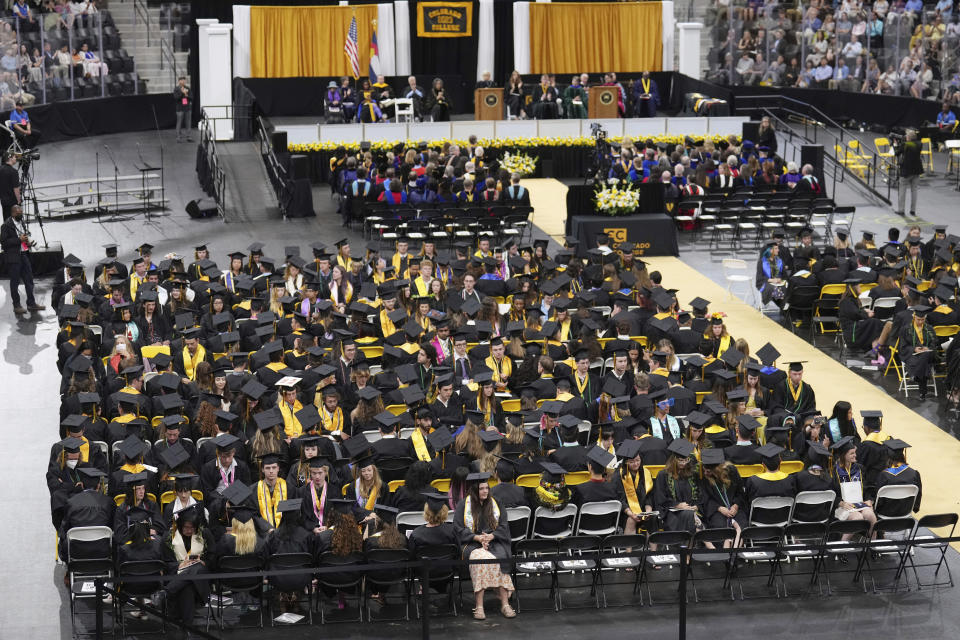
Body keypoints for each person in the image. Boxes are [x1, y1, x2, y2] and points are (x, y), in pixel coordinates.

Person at [453, 473, 515, 620]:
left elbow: (504, 526)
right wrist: (477, 537)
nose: (485, 491)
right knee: (481, 560)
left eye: (487, 488)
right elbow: (458, 529)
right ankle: (479, 606)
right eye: (481, 489)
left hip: (495, 541)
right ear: (474, 490)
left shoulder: (496, 502)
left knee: (500, 558)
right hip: (472, 543)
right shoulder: (463, 504)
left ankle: (505, 604)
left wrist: (492, 536)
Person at [1, 203, 44, 315]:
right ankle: (16, 305)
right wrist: (18, 239)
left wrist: (27, 242)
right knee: (15, 282)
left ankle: (31, 303)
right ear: (13, 213)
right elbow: (4, 243)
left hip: (24, 254)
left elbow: (23, 237)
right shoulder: (6, 226)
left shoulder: (21, 223)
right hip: (13, 258)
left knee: (29, 280)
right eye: (19, 213)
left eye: (21, 213)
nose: (21, 215)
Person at [653, 439, 702, 533]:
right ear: (673, 460)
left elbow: (700, 494)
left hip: (692, 509)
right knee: (689, 516)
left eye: (686, 460)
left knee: (693, 515)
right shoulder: (663, 475)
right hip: (672, 513)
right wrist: (677, 505)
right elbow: (660, 499)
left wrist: (696, 506)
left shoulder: (692, 474)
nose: (683, 463)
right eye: (680, 460)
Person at [896, 131, 923, 216]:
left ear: (909, 138)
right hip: (916, 170)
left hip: (906, 171)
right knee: (914, 190)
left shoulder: (905, 145)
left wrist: (896, 144)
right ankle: (913, 210)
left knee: (902, 190)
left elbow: (896, 152)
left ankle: (901, 210)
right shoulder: (919, 144)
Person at [0, 151, 20, 220]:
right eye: (14, 157)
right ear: (10, 158)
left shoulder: (1, 169)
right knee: (13, 221)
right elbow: (16, 189)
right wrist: (19, 200)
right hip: (12, 202)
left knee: (6, 220)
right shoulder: (14, 172)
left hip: (3, 201)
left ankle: (6, 231)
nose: (16, 158)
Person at [173, 77, 192, 143]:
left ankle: (189, 137)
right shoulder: (176, 89)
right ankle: (178, 137)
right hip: (180, 109)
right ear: (179, 81)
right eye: (182, 81)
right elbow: (176, 98)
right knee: (179, 123)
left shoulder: (188, 88)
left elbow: (191, 98)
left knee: (188, 123)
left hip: (187, 108)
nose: (184, 82)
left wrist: (186, 95)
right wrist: (182, 93)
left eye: (184, 81)